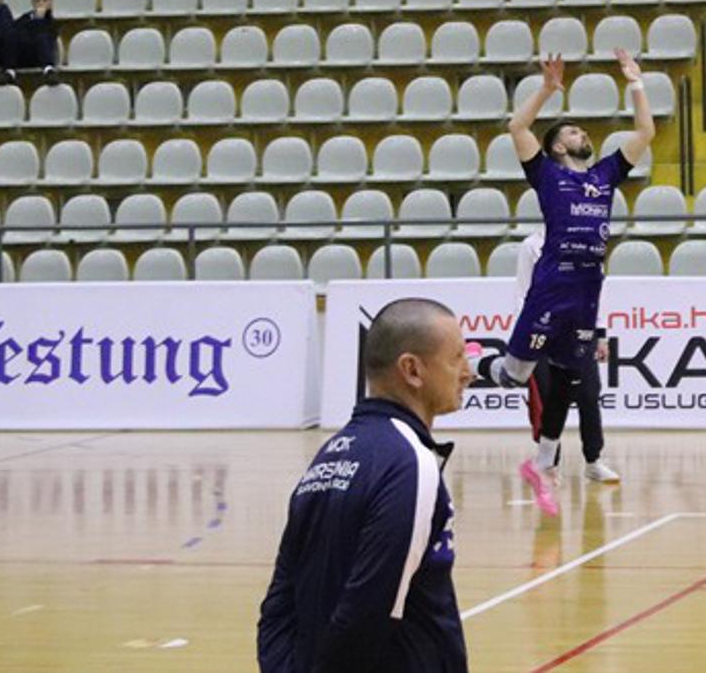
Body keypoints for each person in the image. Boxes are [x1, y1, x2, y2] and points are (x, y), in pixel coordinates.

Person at [258, 297, 471, 673]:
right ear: (412, 370)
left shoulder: (330, 454)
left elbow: (279, 600)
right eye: (456, 358)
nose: (468, 372)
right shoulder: (411, 463)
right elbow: (370, 608)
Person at [494, 50, 654, 516]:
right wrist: (546, 90)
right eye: (572, 132)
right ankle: (475, 361)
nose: (582, 134)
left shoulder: (605, 175)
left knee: (570, 375)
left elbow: (645, 132)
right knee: (514, 376)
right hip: (551, 287)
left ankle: (544, 463)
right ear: (558, 147)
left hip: (586, 291)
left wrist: (636, 83)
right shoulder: (547, 175)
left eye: (582, 131)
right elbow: (517, 128)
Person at [513, 227, 618, 494]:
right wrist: (526, 334)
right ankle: (548, 465)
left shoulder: (587, 240)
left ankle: (593, 461)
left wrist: (601, 334)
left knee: (589, 394)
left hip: (580, 329)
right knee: (548, 397)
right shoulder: (531, 245)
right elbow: (523, 292)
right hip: (542, 329)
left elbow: (594, 290)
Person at [9, 0, 59, 72]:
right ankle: (10, 69)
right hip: (23, 54)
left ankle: (48, 68)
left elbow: (49, 38)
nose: (41, 4)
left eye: (44, 1)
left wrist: (39, 20)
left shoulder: (52, 22)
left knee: (42, 37)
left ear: (50, 2)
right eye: (37, 1)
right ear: (32, 2)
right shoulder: (25, 18)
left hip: (39, 57)